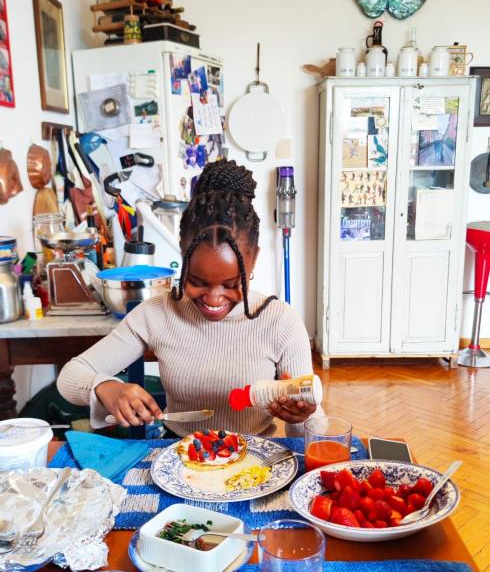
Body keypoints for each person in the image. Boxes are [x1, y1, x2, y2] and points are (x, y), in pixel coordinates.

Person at [57, 160, 318, 437]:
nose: (214, 298)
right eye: (197, 281)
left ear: (254, 259)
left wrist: (302, 417)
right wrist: (105, 387)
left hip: (253, 462)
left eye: (231, 283)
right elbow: (70, 377)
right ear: (183, 258)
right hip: (179, 460)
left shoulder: (280, 321)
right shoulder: (157, 314)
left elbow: (310, 438)